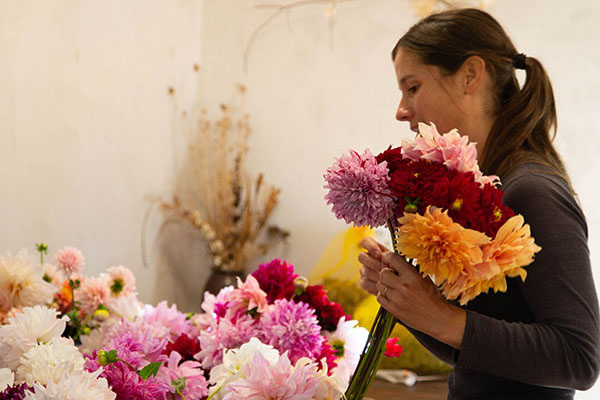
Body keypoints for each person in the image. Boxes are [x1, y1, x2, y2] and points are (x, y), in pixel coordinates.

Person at [358, 8, 600, 399]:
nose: (401, 110)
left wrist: (441, 316)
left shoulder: (532, 189)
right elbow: (478, 357)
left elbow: (579, 358)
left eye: (413, 87)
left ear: (471, 75)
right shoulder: (488, 186)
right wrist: (409, 302)